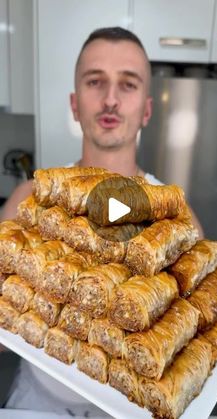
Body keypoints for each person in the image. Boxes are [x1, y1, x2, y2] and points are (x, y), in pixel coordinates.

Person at [0, 27, 203, 417]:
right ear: (75, 105)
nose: (110, 99)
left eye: (127, 84)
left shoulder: (177, 219)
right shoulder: (29, 199)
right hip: (36, 405)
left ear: (146, 109)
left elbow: (190, 337)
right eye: (96, 82)